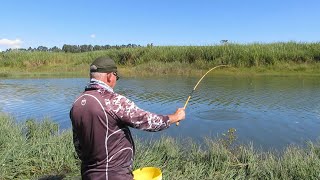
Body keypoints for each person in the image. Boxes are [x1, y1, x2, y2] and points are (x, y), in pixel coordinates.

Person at [70, 56, 185, 180]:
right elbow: (148, 122)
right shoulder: (113, 101)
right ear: (110, 76)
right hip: (114, 175)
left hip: (88, 174)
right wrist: (175, 116)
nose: (116, 81)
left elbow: (78, 145)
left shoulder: (76, 103)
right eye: (116, 77)